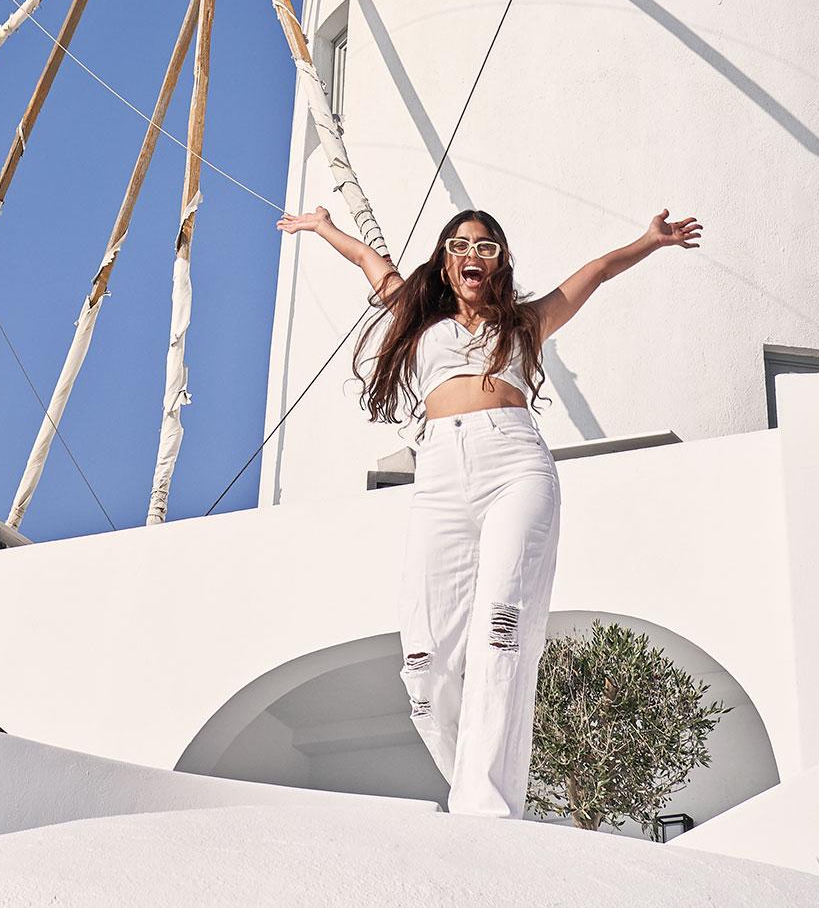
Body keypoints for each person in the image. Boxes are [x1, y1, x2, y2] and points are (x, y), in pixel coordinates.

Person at [277, 201, 702, 819]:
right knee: (424, 665)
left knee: (502, 630)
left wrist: (649, 241)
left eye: (484, 246)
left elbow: (597, 272)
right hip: (441, 473)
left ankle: (488, 807)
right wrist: (322, 227)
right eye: (458, 245)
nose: (471, 254)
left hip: (515, 465)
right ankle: (469, 785)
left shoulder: (526, 323)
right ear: (445, 263)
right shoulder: (420, 321)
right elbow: (373, 263)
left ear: (499, 262)